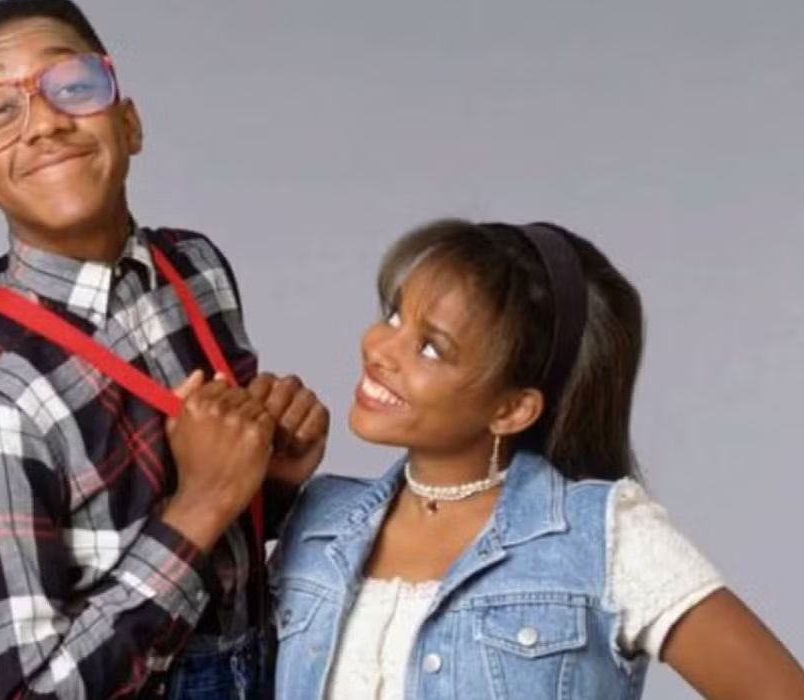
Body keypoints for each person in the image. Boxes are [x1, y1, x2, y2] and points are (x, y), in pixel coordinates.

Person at [0, 1, 330, 697]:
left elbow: (216, 546)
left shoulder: (197, 269)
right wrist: (202, 503)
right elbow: (19, 689)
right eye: (0, 111)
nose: (48, 122)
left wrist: (273, 476)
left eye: (74, 86)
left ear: (130, 122)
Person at [272, 219, 804, 699]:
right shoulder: (317, 520)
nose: (380, 349)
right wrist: (263, 500)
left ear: (511, 409)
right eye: (393, 314)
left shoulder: (601, 536)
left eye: (431, 348)